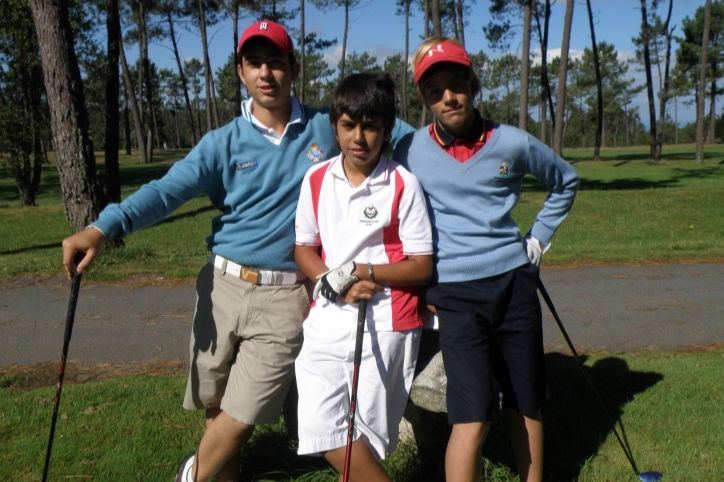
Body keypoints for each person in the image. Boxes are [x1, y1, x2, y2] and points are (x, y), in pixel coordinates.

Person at [60, 20, 413, 482]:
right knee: (216, 401)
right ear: (242, 72)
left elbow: (402, 133)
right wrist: (103, 228)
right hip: (221, 286)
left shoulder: (327, 130)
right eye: (254, 63)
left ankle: (191, 475)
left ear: (294, 68)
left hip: (285, 292)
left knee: (244, 410)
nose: (266, 72)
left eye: (276, 62)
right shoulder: (221, 143)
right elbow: (167, 191)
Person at [393, 38, 580, 482]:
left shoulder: (511, 142)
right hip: (454, 296)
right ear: (424, 99)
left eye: (457, 84)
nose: (448, 97)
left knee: (524, 399)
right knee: (470, 414)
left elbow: (565, 181)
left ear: (473, 85)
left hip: (515, 285)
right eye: (435, 90)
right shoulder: (408, 150)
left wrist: (536, 241)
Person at [293, 73, 433, 481]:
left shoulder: (403, 184)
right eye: (349, 125)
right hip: (328, 318)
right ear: (335, 127)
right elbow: (303, 249)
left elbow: (422, 266)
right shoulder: (316, 180)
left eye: (371, 125)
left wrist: (363, 271)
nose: (360, 137)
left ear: (386, 129)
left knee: (365, 438)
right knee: (324, 426)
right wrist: (340, 280)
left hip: (389, 321)